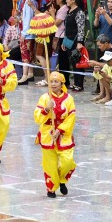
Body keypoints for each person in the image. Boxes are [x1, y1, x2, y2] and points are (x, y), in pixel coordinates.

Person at [33, 71, 76, 199]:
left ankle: (62, 179)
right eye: (51, 81)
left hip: (63, 135)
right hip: (48, 134)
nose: (53, 84)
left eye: (56, 81)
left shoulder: (69, 99)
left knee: (67, 161)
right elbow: (37, 117)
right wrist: (46, 109)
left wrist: (60, 130)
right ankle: (51, 188)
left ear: (62, 83)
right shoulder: (45, 98)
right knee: (49, 164)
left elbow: (71, 116)